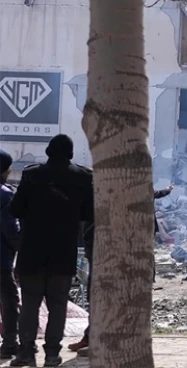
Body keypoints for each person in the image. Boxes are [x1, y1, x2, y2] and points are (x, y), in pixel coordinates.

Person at [9, 135, 93, 367]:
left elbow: (15, 209)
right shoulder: (83, 177)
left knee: (30, 304)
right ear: (71, 153)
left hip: (32, 253)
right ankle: (52, 354)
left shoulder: (32, 174)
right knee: (58, 306)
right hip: (63, 253)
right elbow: (88, 214)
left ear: (48, 151)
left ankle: (26, 351)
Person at [0, 151, 20, 361]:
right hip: (2, 261)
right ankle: (9, 344)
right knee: (9, 300)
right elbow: (10, 228)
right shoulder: (6, 195)